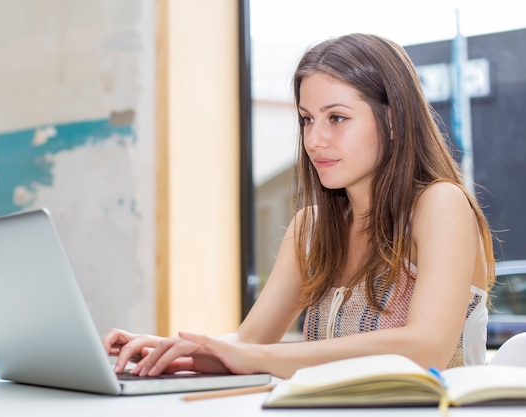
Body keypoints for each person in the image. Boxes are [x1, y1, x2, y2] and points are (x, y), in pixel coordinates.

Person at [103, 33, 496, 379]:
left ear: (393, 121)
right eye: (307, 119)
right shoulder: (310, 228)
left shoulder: (439, 204)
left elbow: (425, 347)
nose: (314, 140)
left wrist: (255, 355)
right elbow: (248, 340)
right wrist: (169, 348)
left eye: (337, 118)